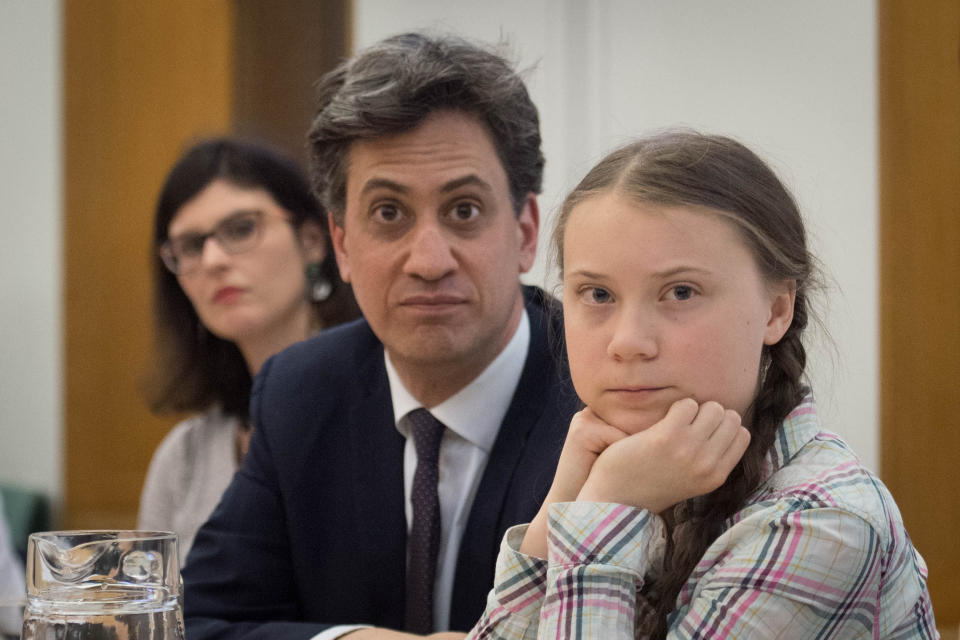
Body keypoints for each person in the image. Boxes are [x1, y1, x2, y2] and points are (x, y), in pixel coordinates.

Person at [181, 33, 580, 640]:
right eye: (389, 213)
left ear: (526, 231)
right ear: (341, 245)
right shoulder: (300, 391)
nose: (428, 259)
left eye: (464, 210)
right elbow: (200, 622)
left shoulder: (599, 394)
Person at [467, 131, 938, 638]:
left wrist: (605, 505)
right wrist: (561, 507)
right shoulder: (653, 473)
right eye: (598, 293)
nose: (628, 343)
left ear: (777, 309)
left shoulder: (819, 523)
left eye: (681, 292)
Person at [138, 138, 359, 566]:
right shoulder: (184, 454)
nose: (213, 260)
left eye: (241, 229)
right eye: (190, 246)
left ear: (313, 240)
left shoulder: (392, 409)